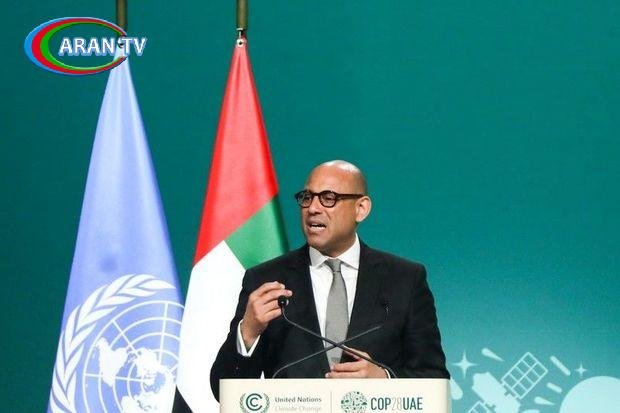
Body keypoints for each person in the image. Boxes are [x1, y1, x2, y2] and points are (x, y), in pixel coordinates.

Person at [210, 160, 449, 399]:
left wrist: (385, 380)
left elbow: (435, 380)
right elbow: (224, 392)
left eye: (328, 198)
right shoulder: (266, 280)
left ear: (361, 208)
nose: (313, 208)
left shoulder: (405, 279)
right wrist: (248, 333)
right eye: (307, 197)